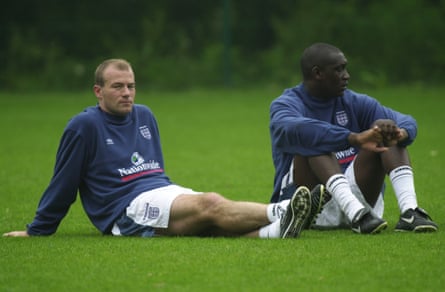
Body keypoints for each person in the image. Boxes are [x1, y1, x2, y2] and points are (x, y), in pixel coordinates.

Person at [3, 59, 327, 239]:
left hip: (160, 191)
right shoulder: (83, 126)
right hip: (126, 208)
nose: (127, 93)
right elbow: (64, 183)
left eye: (131, 86)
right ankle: (285, 211)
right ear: (98, 91)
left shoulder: (145, 115)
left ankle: (275, 232)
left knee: (209, 224)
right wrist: (37, 230)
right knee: (212, 204)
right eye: (118, 87)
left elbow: (154, 169)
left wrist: (170, 193)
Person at [269, 43, 438, 234]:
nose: (346, 75)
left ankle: (410, 212)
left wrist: (399, 133)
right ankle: (355, 213)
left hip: (362, 205)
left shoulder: (354, 101)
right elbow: (292, 127)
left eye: (345, 68)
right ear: (317, 73)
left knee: (387, 132)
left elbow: (408, 121)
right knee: (314, 141)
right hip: (307, 207)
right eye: (338, 69)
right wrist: (353, 138)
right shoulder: (286, 104)